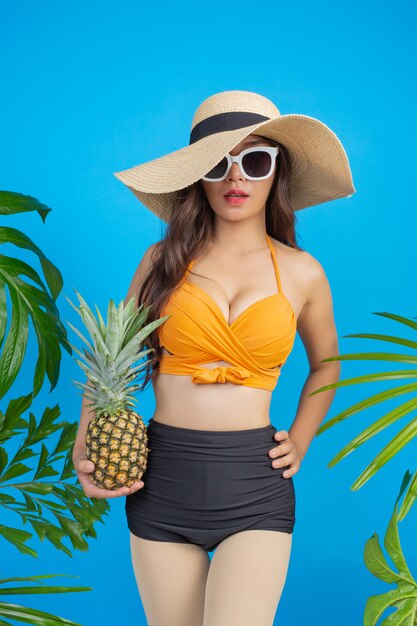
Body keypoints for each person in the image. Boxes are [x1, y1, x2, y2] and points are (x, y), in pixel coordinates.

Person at [73, 90, 355, 626]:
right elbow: (112, 359)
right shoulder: (161, 260)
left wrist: (300, 437)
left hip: (255, 485)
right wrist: (84, 445)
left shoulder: (303, 272)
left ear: (276, 173)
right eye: (218, 164)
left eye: (254, 160)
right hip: (162, 477)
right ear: (196, 177)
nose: (236, 178)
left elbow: (327, 364)